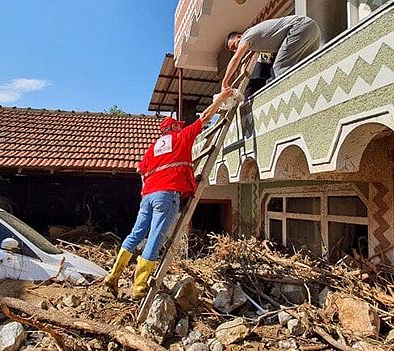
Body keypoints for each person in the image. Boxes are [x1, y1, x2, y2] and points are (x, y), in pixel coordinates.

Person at [104, 88, 235, 298]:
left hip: (148, 196)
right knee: (156, 237)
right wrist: (220, 99)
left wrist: (148, 187)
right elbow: (207, 117)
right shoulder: (181, 137)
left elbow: (140, 170)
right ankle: (139, 287)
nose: (179, 126)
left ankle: (113, 275)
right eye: (177, 125)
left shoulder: (153, 148)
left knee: (136, 234)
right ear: (173, 127)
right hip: (167, 194)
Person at [221, 15, 320, 91]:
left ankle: (292, 95)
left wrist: (225, 82)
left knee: (279, 69)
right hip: (312, 28)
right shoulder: (255, 43)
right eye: (233, 50)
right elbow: (245, 62)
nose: (235, 50)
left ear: (239, 37)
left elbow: (236, 59)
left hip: (299, 27)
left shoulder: (247, 37)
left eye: (234, 46)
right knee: (307, 64)